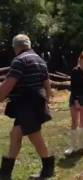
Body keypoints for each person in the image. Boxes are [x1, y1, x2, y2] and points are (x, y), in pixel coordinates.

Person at [0, 34, 54, 179]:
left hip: (26, 105)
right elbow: (47, 85)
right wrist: (47, 103)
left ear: (16, 47)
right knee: (16, 134)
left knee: (35, 136)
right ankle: (5, 174)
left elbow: (8, 85)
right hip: (36, 103)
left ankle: (48, 170)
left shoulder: (19, 60)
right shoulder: (40, 60)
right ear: (28, 45)